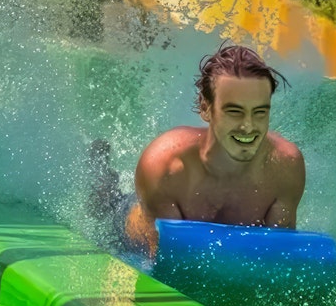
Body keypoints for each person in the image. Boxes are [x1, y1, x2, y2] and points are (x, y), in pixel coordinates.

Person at [123, 44, 306, 256]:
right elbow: (168, 264)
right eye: (234, 112)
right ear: (205, 108)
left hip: (222, 258)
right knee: (106, 204)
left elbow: (277, 259)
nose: (248, 126)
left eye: (259, 112)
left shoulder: (284, 167)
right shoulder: (166, 166)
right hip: (134, 244)